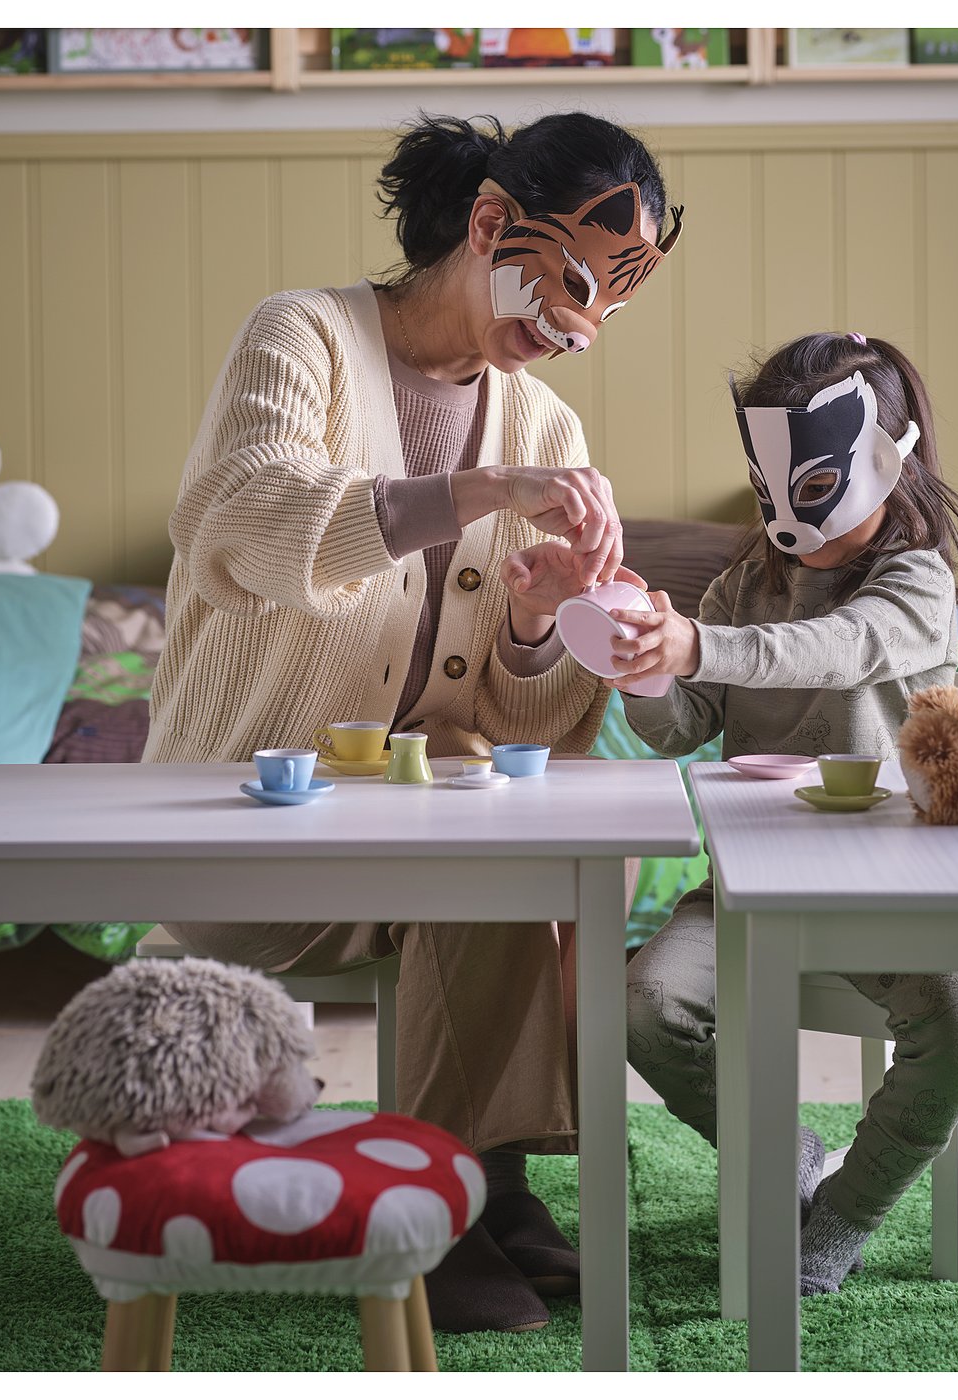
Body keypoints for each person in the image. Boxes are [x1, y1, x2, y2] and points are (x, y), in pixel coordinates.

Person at [141, 111, 682, 1333]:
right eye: (575, 285)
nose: (579, 332)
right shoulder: (301, 334)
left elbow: (525, 716)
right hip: (242, 807)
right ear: (492, 223)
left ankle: (477, 1175)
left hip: (415, 828)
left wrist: (545, 621)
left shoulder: (543, 423)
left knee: (494, 831)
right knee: (470, 842)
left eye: (612, 306)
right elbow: (243, 522)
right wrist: (474, 493)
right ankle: (444, 1195)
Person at [613, 332, 958, 1296]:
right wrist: (638, 666)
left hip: (892, 885)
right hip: (750, 883)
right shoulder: (744, 583)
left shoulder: (917, 583)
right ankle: (788, 1150)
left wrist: (701, 645)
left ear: (884, 458)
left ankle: (843, 1212)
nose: (788, 520)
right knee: (647, 1007)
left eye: (818, 484)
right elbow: (678, 729)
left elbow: (836, 649)